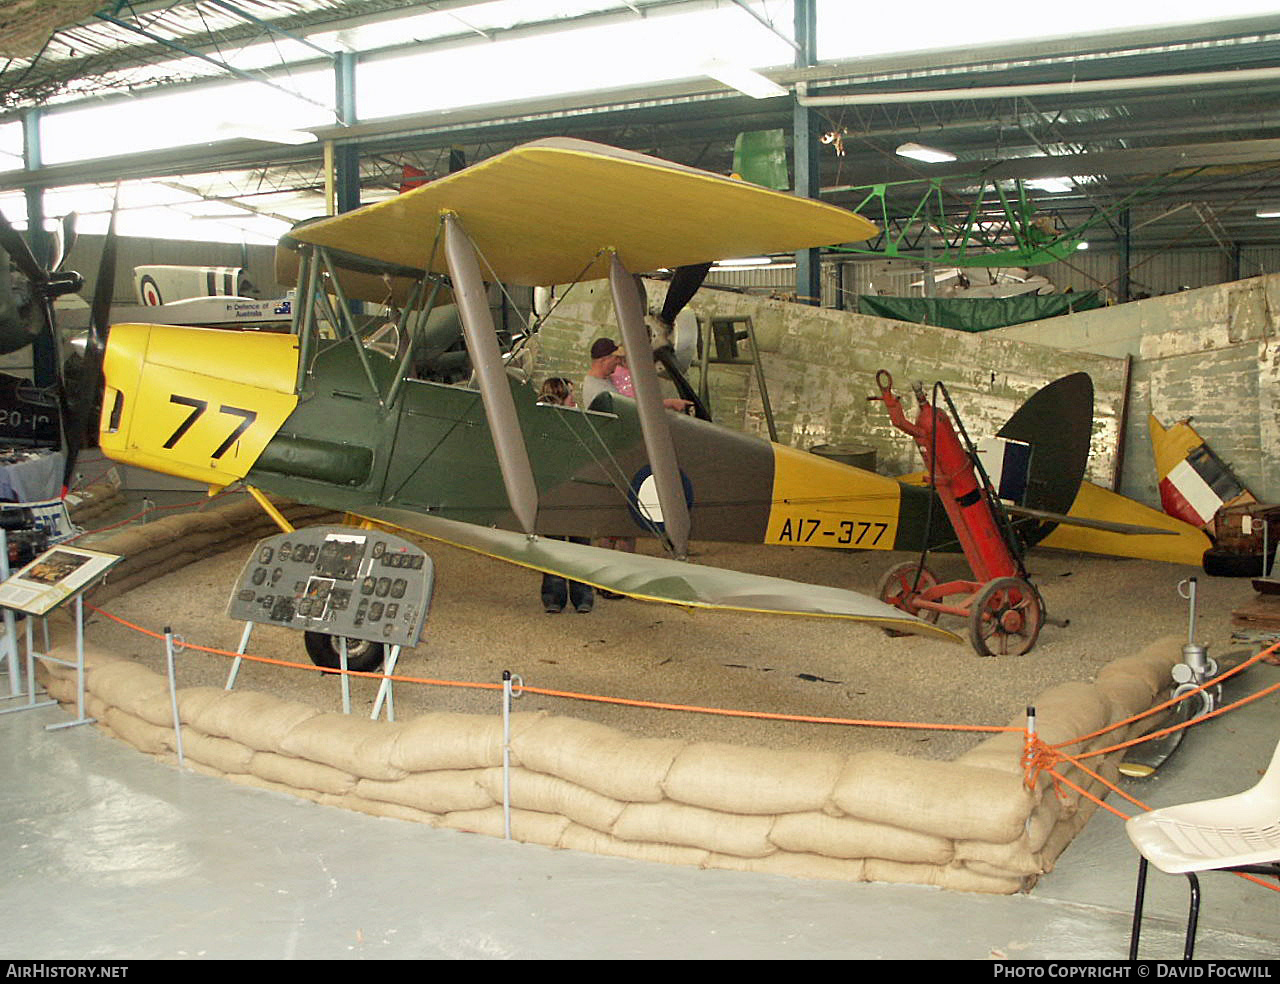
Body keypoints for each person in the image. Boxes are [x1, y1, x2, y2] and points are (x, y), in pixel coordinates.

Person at [535, 378, 594, 614]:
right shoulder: (544, 427)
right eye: (571, 396)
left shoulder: (581, 423)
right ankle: (554, 595)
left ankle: (582, 594)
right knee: (554, 546)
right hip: (555, 494)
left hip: (579, 493)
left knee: (580, 546)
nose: (575, 400)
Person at [582, 337, 691, 413]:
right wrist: (669, 403)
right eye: (616, 358)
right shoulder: (597, 390)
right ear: (603, 360)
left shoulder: (605, 379)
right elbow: (632, 410)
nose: (618, 362)